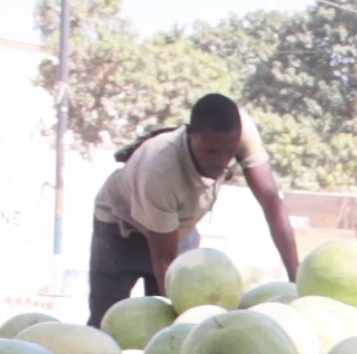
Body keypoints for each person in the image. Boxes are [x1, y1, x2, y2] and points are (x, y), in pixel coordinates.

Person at [88, 94, 298, 328]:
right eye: (211, 151)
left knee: (180, 315)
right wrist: (183, 328)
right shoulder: (160, 171)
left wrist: (296, 278)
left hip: (177, 227)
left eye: (229, 152)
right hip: (121, 230)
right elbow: (165, 261)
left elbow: (271, 201)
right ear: (191, 134)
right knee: (106, 322)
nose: (220, 162)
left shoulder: (240, 130)